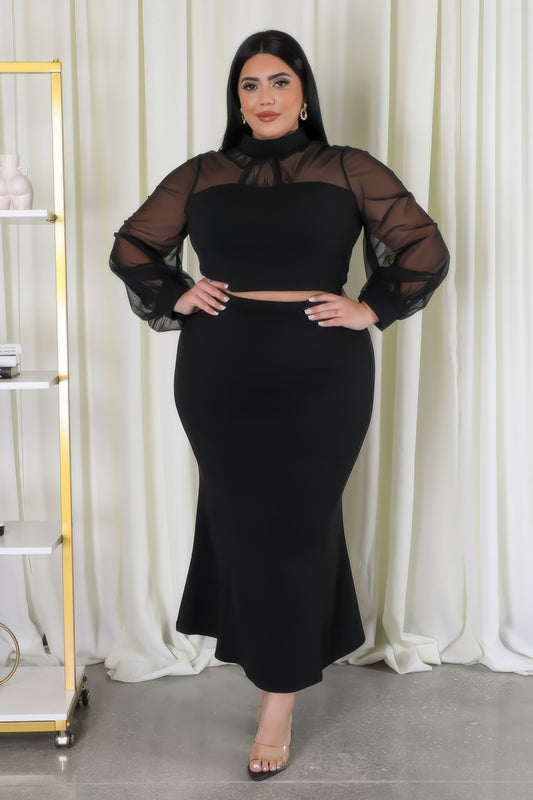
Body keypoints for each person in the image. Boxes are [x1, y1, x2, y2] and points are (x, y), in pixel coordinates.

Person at [110, 29, 449, 781]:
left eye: (278, 82)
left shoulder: (348, 168)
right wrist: (178, 292)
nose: (263, 97)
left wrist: (371, 308)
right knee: (241, 523)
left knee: (298, 526)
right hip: (221, 367)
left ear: (303, 95)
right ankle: (269, 660)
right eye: (249, 85)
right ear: (237, 100)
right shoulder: (200, 175)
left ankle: (278, 702)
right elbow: (132, 248)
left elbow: (424, 248)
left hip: (322, 367)